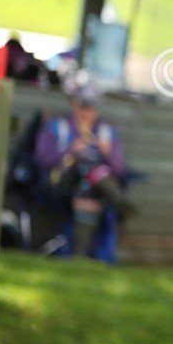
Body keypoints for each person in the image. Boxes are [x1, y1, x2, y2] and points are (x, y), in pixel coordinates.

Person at [33, 79, 135, 262]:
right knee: (85, 162)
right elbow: (41, 159)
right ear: (74, 104)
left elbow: (119, 169)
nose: (87, 112)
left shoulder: (107, 133)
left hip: (91, 189)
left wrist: (107, 153)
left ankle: (78, 257)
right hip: (61, 184)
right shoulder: (57, 127)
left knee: (87, 186)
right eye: (83, 106)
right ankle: (119, 201)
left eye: (92, 107)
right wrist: (70, 150)